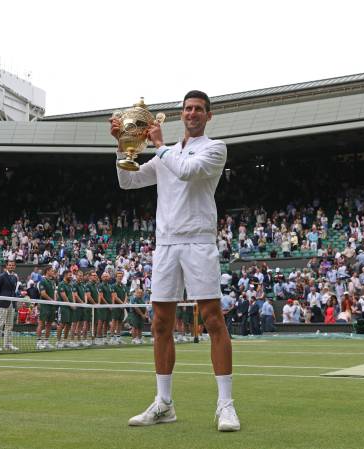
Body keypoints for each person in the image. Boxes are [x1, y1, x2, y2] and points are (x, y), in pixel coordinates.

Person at [113, 90, 239, 431]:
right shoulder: (165, 155)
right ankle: (164, 404)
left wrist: (158, 145)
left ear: (208, 116)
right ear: (181, 114)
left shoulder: (215, 148)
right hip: (166, 243)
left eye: (198, 109)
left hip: (198, 240)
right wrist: (123, 146)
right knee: (160, 325)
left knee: (213, 320)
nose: (192, 113)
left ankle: (225, 405)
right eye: (187, 108)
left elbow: (185, 171)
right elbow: (129, 180)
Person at [0, 259, 19, 352]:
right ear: (6, 266)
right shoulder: (2, 276)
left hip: (12, 303)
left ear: (14, 267)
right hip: (2, 303)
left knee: (9, 325)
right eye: (10, 265)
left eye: (13, 265)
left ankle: (8, 344)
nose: (11, 266)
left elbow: (13, 291)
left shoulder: (15, 277)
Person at [36, 267, 57, 350]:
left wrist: (54, 301)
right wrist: (52, 300)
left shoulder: (52, 282)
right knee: (41, 324)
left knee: (49, 324)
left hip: (52, 306)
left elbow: (54, 293)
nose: (53, 272)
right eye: (52, 271)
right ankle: (38, 342)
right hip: (45, 305)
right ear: (47, 271)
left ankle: (46, 342)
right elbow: (43, 294)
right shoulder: (42, 281)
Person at [56, 269, 74, 348]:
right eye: (70, 275)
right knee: (62, 324)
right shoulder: (61, 284)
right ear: (65, 275)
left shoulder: (70, 285)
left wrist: (73, 304)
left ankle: (65, 341)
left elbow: (71, 295)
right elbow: (64, 296)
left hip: (70, 307)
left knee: (69, 324)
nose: (71, 276)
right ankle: (58, 341)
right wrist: (70, 305)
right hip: (63, 307)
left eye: (71, 275)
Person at [110, 270, 128, 344]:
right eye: (118, 276)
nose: (120, 278)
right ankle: (112, 337)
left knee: (120, 322)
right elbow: (115, 296)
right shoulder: (113, 286)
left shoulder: (124, 286)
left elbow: (126, 295)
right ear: (116, 277)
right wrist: (122, 304)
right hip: (116, 306)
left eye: (121, 276)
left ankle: (118, 338)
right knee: (114, 321)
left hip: (122, 307)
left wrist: (124, 304)